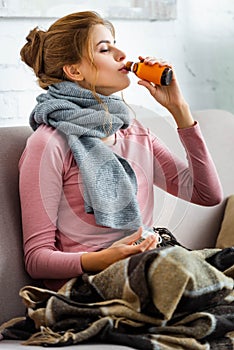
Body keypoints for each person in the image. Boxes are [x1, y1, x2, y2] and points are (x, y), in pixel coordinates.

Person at [19, 11, 222, 292]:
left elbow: (207, 194)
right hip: (90, 286)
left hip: (149, 269)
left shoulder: (135, 133)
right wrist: (101, 259)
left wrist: (180, 110)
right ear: (74, 71)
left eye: (115, 43)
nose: (121, 53)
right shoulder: (49, 144)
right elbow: (37, 259)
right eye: (105, 48)